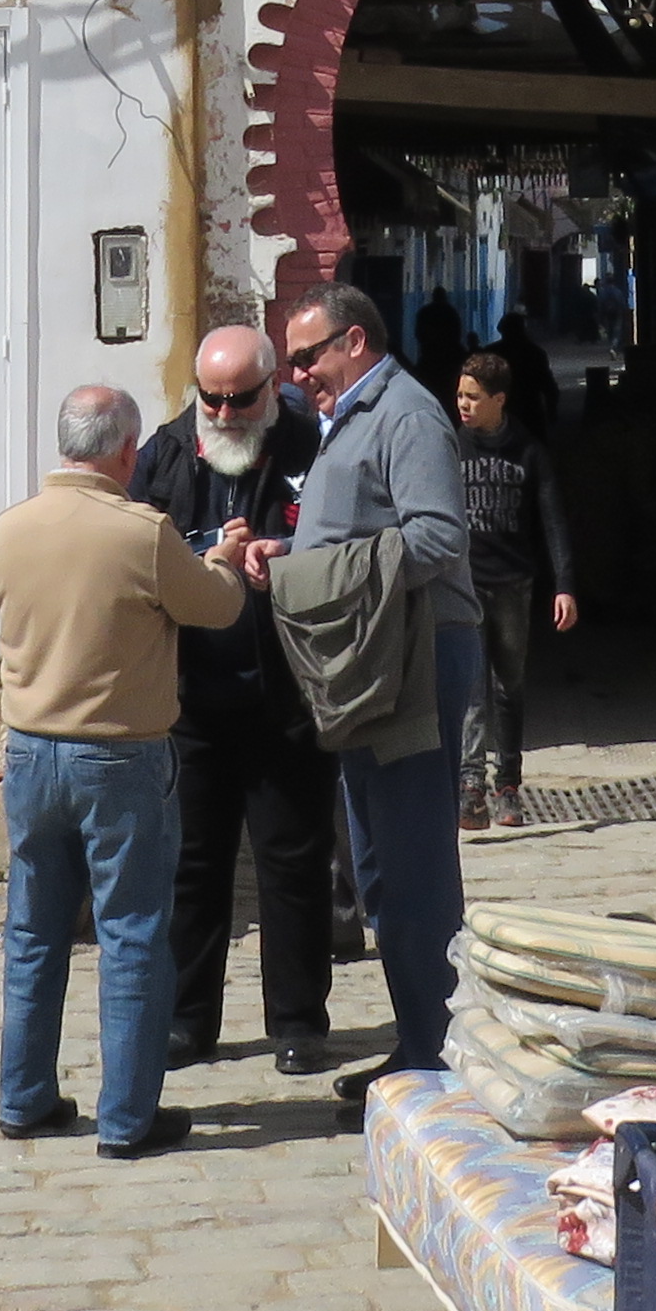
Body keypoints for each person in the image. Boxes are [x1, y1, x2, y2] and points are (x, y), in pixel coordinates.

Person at [0, 381, 246, 1159]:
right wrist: (224, 559)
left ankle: (24, 1097)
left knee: (33, 932)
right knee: (132, 933)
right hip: (120, 753)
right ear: (127, 451)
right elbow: (215, 606)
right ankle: (128, 1117)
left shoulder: (10, 528)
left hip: (30, 749)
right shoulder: (142, 532)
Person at [271, 284, 478, 1107]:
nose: (297, 374)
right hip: (376, 660)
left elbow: (437, 537)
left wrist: (319, 575)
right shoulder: (352, 415)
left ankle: (436, 1056)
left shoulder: (407, 414)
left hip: (414, 655)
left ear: (354, 341)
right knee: (378, 864)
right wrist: (292, 555)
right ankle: (418, 1042)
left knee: (412, 861)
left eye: (307, 356)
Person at [124, 322, 333, 1076]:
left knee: (294, 865)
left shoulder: (313, 448)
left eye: (240, 399)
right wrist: (207, 554)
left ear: (270, 387)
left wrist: (288, 555)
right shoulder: (167, 452)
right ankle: (187, 1020)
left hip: (289, 694)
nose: (223, 413)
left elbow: (347, 540)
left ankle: (299, 1022)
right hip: (193, 698)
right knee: (193, 865)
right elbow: (136, 552)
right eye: (211, 398)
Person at [453, 351, 579, 831]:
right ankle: (470, 785)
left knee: (508, 687)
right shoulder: (450, 447)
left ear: (499, 400)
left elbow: (553, 521)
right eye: (460, 395)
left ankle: (507, 785)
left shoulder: (528, 452)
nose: (463, 404)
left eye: (473, 397)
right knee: (469, 689)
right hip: (465, 584)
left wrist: (564, 586)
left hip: (513, 586)